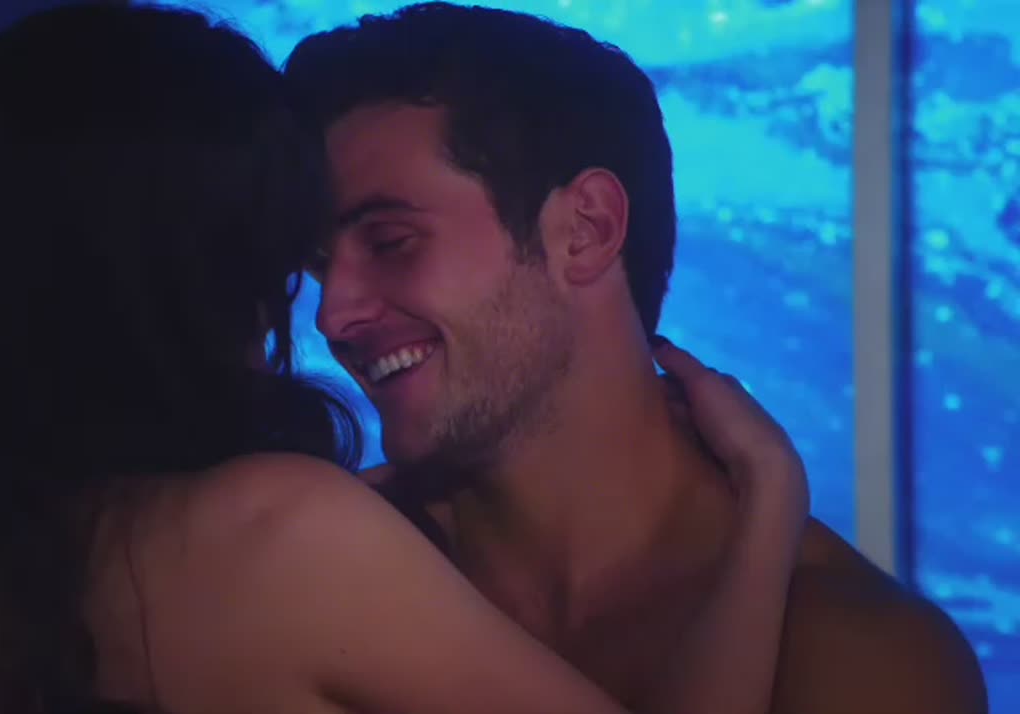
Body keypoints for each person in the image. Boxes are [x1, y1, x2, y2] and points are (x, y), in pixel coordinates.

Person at [0, 5, 808, 714]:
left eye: (388, 242)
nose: (323, 315)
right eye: (285, 254)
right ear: (186, 265)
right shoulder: (283, 537)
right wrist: (769, 505)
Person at [285, 3, 988, 713]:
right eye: (317, 265)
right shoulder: (312, 581)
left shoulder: (857, 654)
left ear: (586, 230)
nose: (333, 314)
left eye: (391, 243)